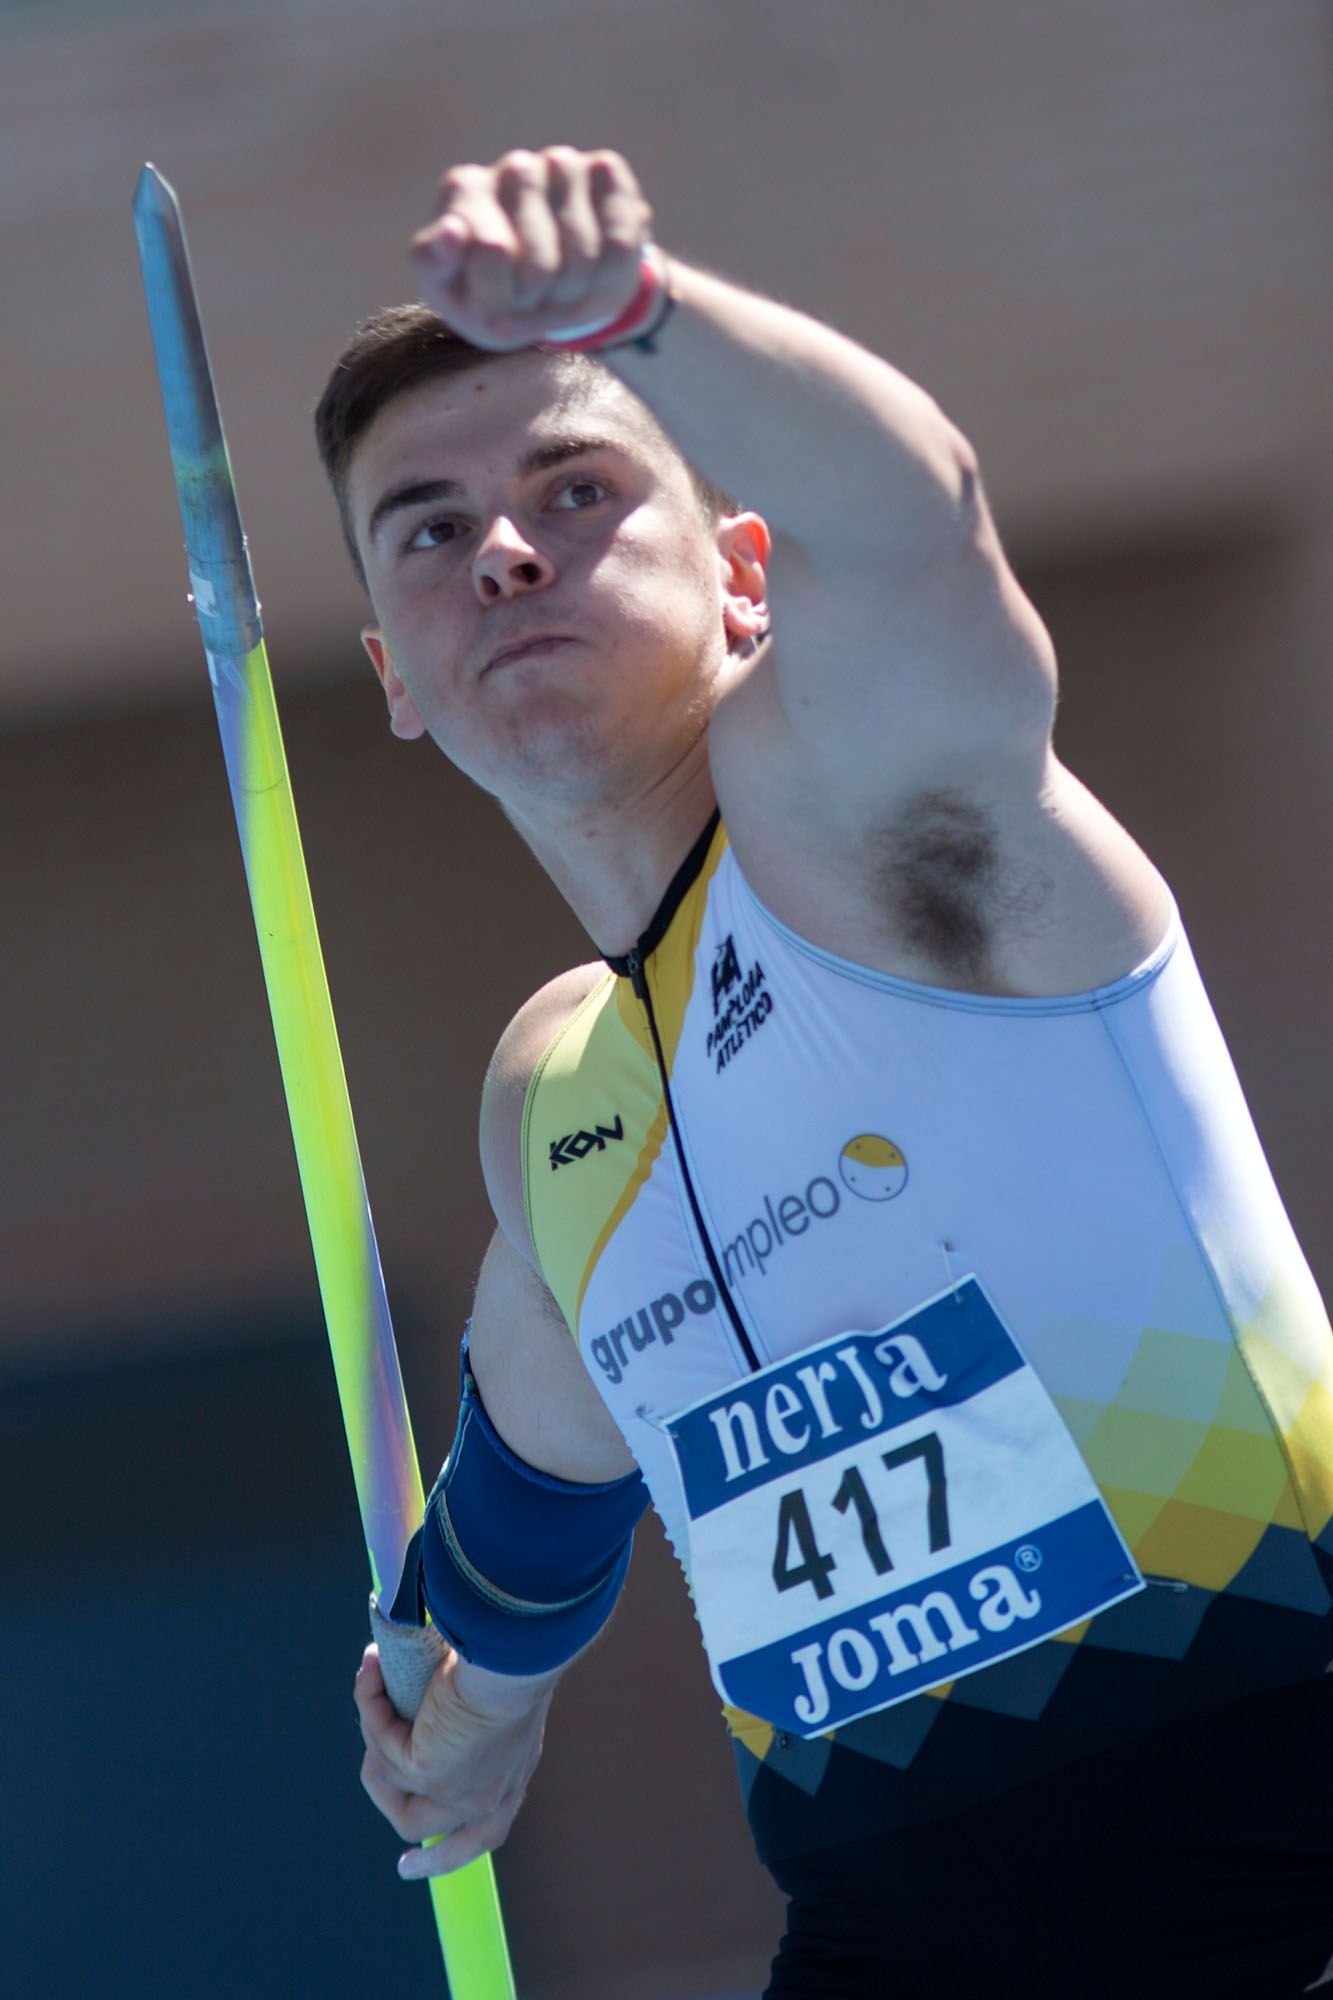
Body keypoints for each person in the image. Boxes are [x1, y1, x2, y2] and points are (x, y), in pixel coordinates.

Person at [324, 146, 1333, 1996]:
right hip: (885, 1943)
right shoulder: (556, 1086)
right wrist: (478, 1702)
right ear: (397, 674)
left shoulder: (867, 827)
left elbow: (918, 526)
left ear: (742, 572)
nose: (507, 551)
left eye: (575, 487)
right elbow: (545, 1471)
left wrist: (636, 314)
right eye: (430, 527)